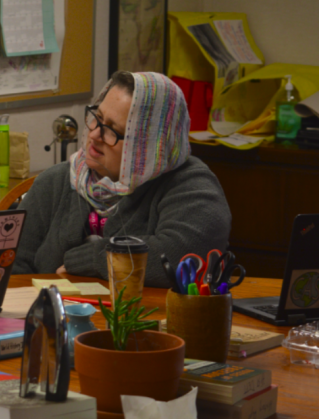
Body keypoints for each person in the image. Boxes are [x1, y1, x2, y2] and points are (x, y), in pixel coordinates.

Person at [13, 71, 231, 288]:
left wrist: (94, 259)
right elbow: (10, 265)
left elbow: (183, 253)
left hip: (149, 319)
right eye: (96, 118)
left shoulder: (189, 183)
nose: (95, 135)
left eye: (112, 130)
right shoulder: (55, 181)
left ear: (149, 145)